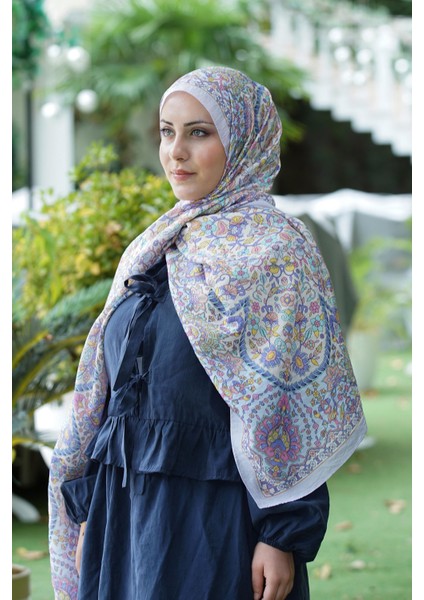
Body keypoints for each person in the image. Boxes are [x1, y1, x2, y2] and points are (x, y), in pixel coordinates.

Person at [48, 66, 367, 600]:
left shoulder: (279, 252)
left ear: (244, 141)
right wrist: (90, 514)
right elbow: (111, 395)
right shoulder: (158, 245)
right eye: (166, 132)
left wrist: (281, 535)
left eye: (199, 132)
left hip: (214, 523)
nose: (176, 152)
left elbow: (291, 404)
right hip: (123, 513)